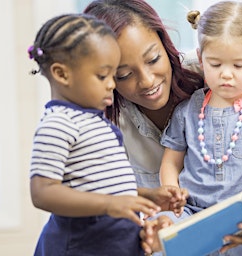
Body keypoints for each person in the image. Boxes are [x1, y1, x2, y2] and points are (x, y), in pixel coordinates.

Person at [83, 0, 242, 251]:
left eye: (153, 59)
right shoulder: (106, 127)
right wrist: (161, 224)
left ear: (166, 46)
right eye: (124, 75)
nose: (147, 81)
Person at [28, 13, 179, 255]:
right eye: (104, 76)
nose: (112, 84)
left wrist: (146, 196)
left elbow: (101, 187)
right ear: (61, 74)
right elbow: (42, 192)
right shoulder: (58, 123)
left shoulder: (97, 122)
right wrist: (111, 205)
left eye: (113, 76)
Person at [157, 1, 242, 255]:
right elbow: (170, 163)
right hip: (190, 213)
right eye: (215, 64)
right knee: (160, 240)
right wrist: (172, 194)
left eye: (238, 65)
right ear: (200, 58)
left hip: (241, 218)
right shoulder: (187, 110)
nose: (226, 74)